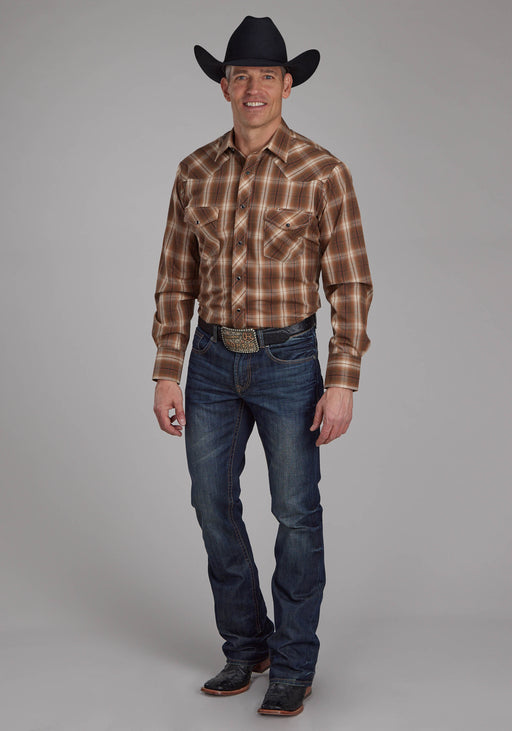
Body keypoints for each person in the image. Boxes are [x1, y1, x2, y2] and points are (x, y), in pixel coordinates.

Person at [151, 16, 373, 717]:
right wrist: (166, 369)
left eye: (267, 76)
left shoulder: (322, 171)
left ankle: (295, 662)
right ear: (224, 86)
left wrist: (342, 380)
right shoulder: (194, 171)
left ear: (287, 85)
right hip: (210, 362)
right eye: (240, 75)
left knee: (295, 513)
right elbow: (175, 280)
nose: (254, 88)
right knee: (211, 505)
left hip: (289, 362)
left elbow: (351, 284)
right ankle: (247, 644)